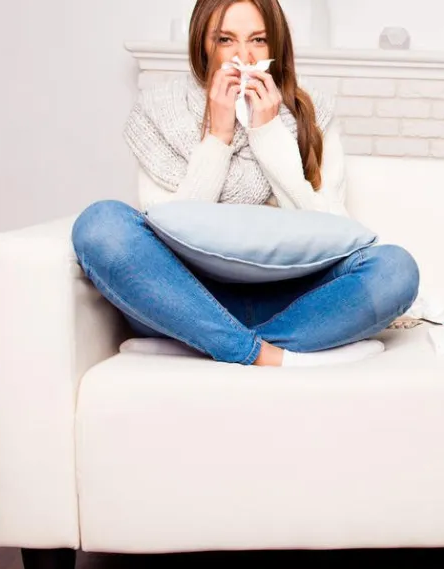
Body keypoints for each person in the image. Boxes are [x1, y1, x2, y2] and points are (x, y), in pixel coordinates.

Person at [71, 0, 419, 367]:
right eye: (225, 40)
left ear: (276, 46)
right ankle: (267, 352)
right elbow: (168, 230)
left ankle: (203, 343)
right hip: (185, 295)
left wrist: (268, 133)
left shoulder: (313, 113)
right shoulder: (159, 114)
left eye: (258, 40)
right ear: (202, 45)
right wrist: (217, 138)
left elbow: (334, 231)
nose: (243, 56)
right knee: (99, 224)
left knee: (396, 269)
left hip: (294, 297)